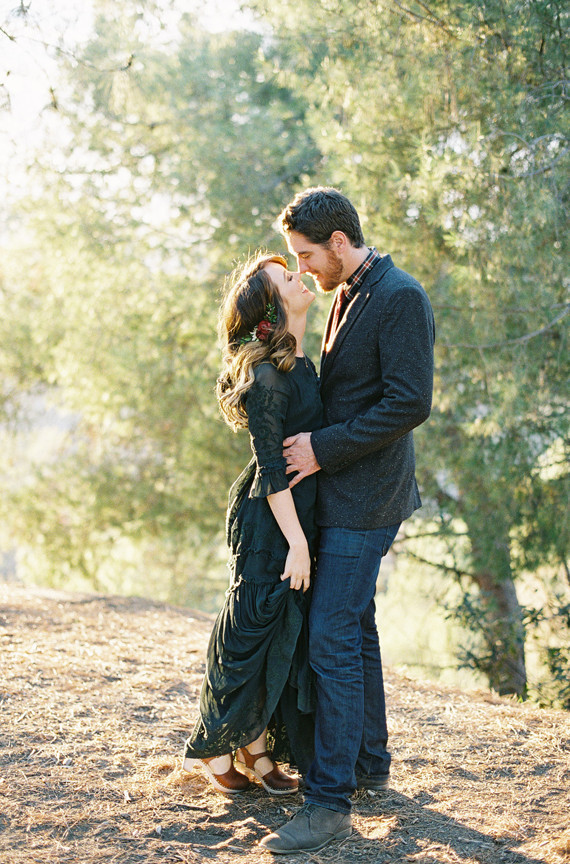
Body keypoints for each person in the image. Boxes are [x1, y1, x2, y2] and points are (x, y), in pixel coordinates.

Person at [260, 187, 435, 853]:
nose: (303, 270)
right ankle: (368, 765)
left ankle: (328, 804)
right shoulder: (351, 293)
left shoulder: (399, 296)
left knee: (330, 635)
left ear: (339, 240)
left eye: (307, 255)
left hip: (370, 499)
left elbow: (410, 402)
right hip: (347, 493)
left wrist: (320, 449)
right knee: (355, 629)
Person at [182, 252, 322, 796]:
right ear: (271, 308)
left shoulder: (297, 363)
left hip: (291, 518)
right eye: (287, 277)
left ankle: (256, 749)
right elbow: (270, 467)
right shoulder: (266, 378)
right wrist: (298, 544)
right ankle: (217, 746)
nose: (300, 276)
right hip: (271, 522)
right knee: (249, 636)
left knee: (273, 639)